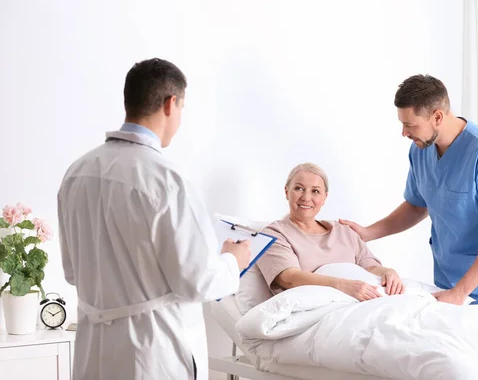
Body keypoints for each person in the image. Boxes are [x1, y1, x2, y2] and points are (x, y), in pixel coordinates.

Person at [57, 58, 251, 380]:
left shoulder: (77, 173)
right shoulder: (166, 180)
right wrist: (233, 260)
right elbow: (197, 281)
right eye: (182, 108)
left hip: (94, 349)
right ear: (170, 104)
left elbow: (72, 271)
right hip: (152, 352)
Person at [341, 74, 478, 310]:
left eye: (410, 125)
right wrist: (367, 233)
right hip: (446, 283)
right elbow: (417, 205)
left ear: (437, 116)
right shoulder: (421, 150)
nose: (404, 133)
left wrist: (461, 292)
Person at [256, 163, 404, 302]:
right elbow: (289, 278)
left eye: (315, 191)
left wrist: (388, 272)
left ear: (324, 197)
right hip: (320, 311)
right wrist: (342, 286)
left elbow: (370, 267)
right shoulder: (274, 234)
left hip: (363, 304)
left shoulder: (344, 231)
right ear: (287, 192)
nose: (306, 198)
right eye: (299, 188)